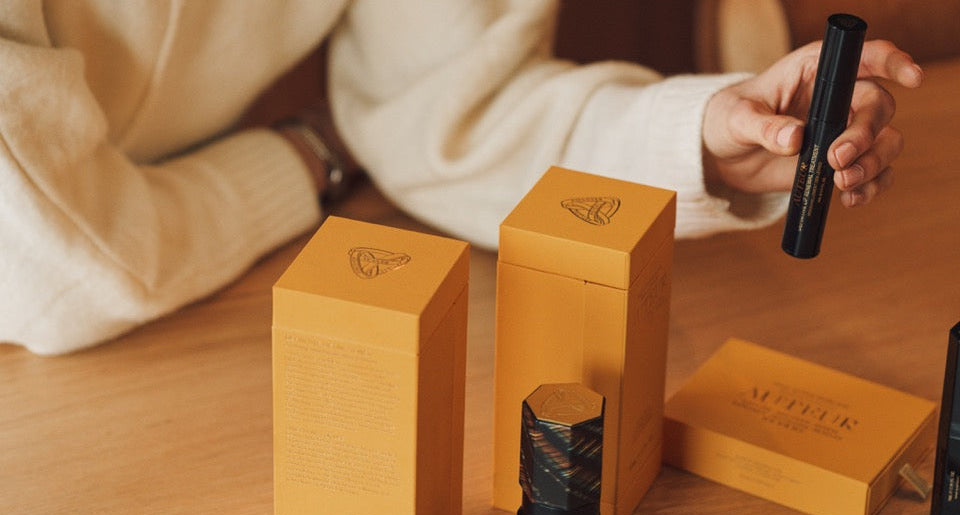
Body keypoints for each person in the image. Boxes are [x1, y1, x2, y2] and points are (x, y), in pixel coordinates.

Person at [0, 1, 922, 355]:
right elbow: (55, 273)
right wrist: (294, 163)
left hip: (190, 314)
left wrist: (699, 137)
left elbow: (449, 110)